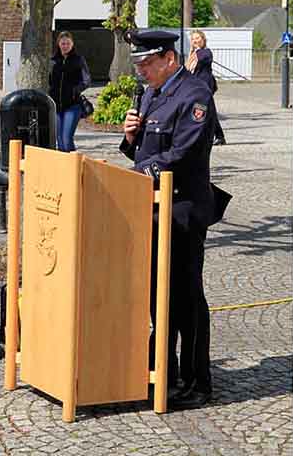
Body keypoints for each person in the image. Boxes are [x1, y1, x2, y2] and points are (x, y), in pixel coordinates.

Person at [120, 30, 230, 410]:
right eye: (139, 64)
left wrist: (136, 174)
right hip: (151, 208)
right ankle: (164, 372)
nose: (142, 71)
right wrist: (129, 137)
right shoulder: (151, 93)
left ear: (169, 59)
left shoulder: (195, 94)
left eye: (147, 63)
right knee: (158, 295)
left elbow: (183, 154)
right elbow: (144, 149)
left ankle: (197, 380)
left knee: (186, 297)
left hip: (182, 210)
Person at [48, 31, 91, 152]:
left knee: (66, 139)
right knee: (60, 140)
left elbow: (87, 80)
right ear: (58, 44)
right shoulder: (53, 61)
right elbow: (48, 81)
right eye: (63, 43)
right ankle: (63, 163)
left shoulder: (78, 60)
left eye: (68, 43)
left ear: (72, 44)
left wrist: (75, 90)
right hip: (56, 106)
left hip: (73, 105)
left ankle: (73, 162)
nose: (65, 46)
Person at [185, 30, 227, 145]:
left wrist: (193, 51)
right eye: (193, 39)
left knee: (200, 109)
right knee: (207, 110)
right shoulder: (194, 53)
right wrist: (191, 52)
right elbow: (187, 68)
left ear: (203, 39)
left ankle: (200, 136)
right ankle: (219, 136)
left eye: (197, 38)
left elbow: (199, 58)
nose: (195, 41)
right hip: (196, 87)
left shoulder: (206, 52)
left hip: (205, 86)